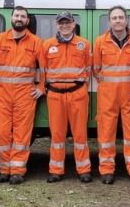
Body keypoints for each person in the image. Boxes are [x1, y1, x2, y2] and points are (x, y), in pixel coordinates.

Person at [0, 6, 45, 185]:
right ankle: (4, 169)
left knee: (21, 134)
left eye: (22, 16)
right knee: (1, 133)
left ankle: (17, 171)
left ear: (27, 21)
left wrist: (41, 88)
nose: (19, 18)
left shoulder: (36, 42)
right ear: (11, 18)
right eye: (16, 15)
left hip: (25, 95)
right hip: (1, 94)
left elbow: (45, 69)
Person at [93, 6, 130, 184]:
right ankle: (107, 170)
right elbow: (96, 70)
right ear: (109, 21)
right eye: (114, 18)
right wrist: (110, 85)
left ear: (126, 20)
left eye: (120, 17)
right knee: (106, 133)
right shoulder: (100, 41)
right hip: (107, 95)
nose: (117, 21)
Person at [39, 11, 93, 183]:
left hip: (77, 93)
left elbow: (89, 69)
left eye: (67, 22)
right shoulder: (47, 45)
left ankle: (84, 169)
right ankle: (56, 170)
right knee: (57, 135)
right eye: (61, 23)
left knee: (80, 134)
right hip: (55, 95)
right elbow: (43, 71)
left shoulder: (84, 45)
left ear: (73, 23)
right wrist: (43, 88)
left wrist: (81, 88)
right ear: (56, 25)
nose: (64, 25)